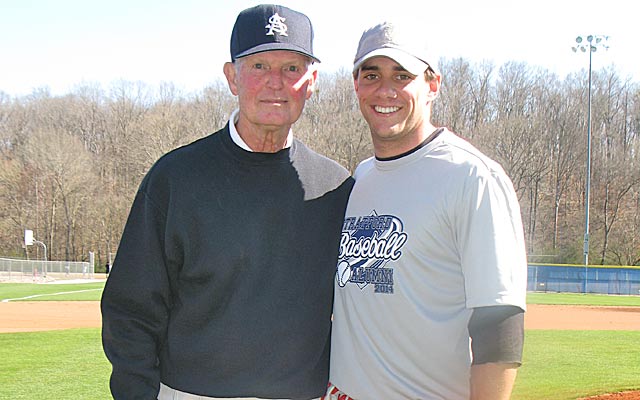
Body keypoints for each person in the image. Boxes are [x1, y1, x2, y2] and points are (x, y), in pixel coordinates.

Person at [101, 5, 353, 400]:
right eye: (258, 66)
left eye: (292, 68)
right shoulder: (176, 178)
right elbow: (130, 309)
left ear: (312, 81)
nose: (276, 83)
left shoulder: (336, 187)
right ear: (232, 77)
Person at [325, 21, 528, 400]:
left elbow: (500, 326)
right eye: (372, 75)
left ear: (432, 85)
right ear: (356, 85)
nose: (385, 90)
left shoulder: (472, 177)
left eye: (402, 75)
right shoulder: (362, 176)